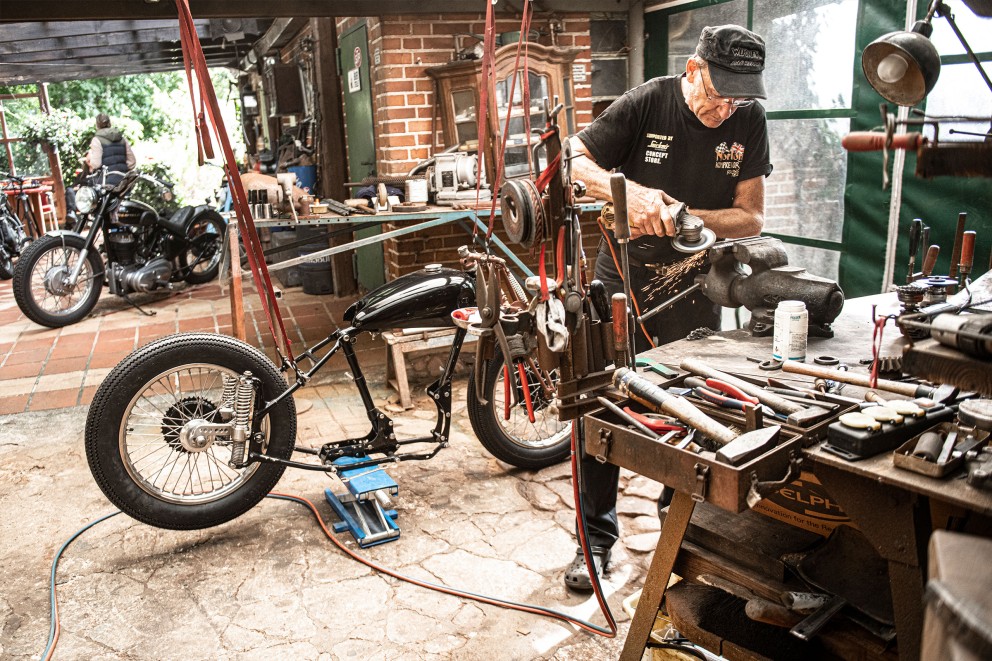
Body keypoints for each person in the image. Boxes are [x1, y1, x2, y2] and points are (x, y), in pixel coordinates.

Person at [563, 24, 773, 591]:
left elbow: (751, 216)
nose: (726, 106)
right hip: (623, 277)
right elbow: (571, 160)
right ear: (692, 70)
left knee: (695, 406)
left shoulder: (747, 119)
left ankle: (676, 524)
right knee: (602, 406)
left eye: (740, 94)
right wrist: (626, 193)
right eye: (718, 90)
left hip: (698, 281)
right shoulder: (648, 101)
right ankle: (595, 541)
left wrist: (685, 215)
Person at [83, 113, 136, 186]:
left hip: (106, 181)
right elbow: (132, 162)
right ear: (110, 123)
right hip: (123, 181)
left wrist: (90, 159)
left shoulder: (97, 140)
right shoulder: (122, 139)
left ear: (97, 125)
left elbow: (96, 164)